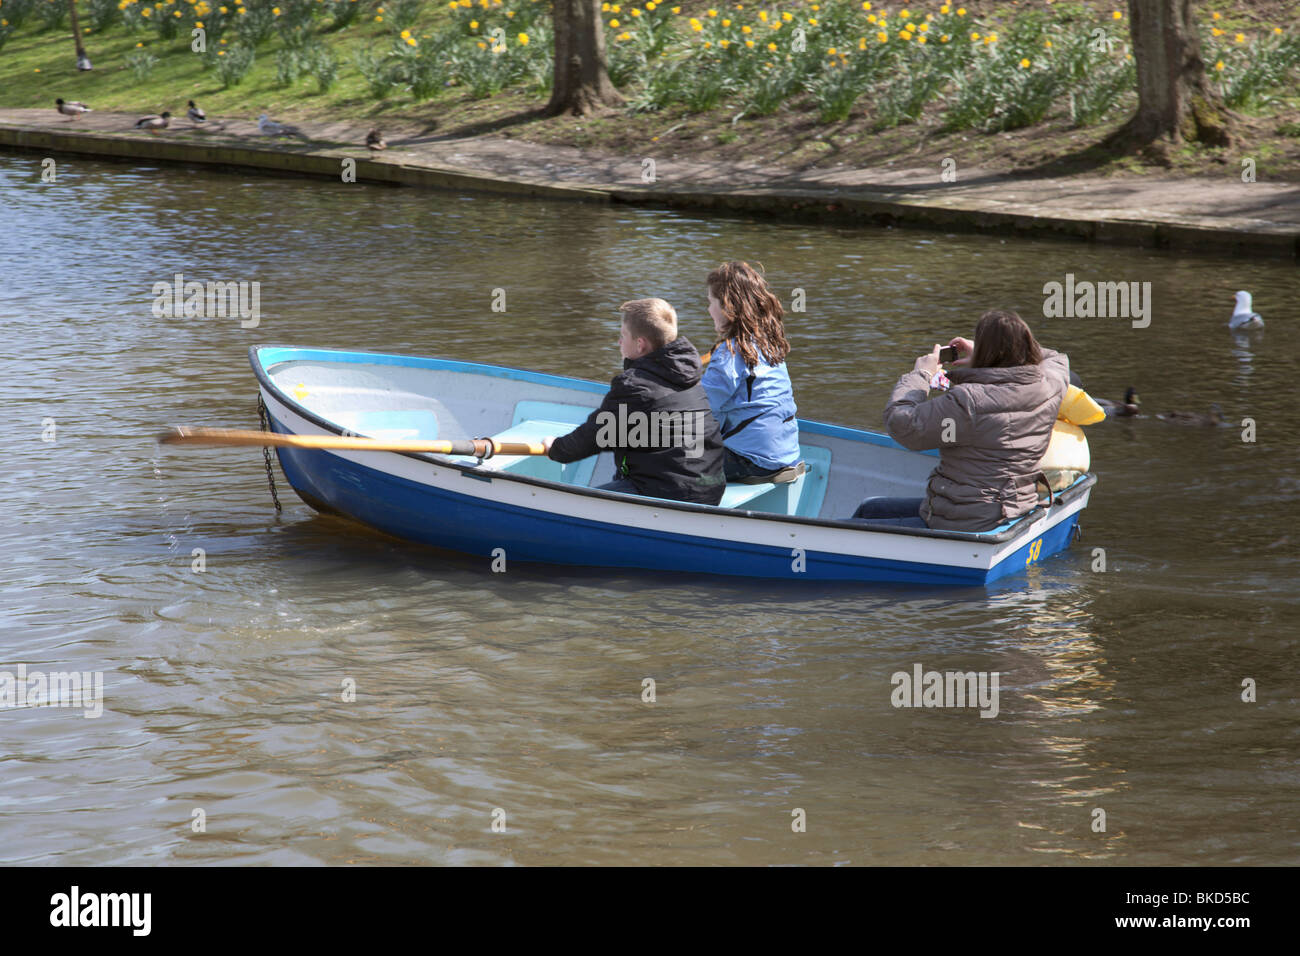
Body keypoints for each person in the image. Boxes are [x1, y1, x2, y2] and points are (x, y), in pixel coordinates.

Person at [853, 309, 1070, 532]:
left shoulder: (968, 402)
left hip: (963, 518)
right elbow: (1055, 357)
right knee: (870, 509)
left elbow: (903, 425)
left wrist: (921, 376)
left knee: (853, 525)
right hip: (1015, 507)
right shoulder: (1050, 385)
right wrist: (988, 351)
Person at [544, 298, 727, 505]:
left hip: (670, 493)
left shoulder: (634, 386)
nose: (619, 342)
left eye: (623, 335)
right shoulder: (690, 377)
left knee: (571, 508)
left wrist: (556, 448)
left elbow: (595, 435)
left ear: (640, 344)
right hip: (710, 490)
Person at [701, 261, 803, 484]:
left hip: (751, 460)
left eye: (711, 303)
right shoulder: (769, 345)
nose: (708, 310)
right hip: (785, 454)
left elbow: (702, 409)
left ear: (727, 307)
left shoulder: (729, 354)